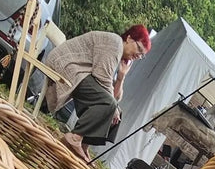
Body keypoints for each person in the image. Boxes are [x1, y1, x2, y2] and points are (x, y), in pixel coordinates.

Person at [45, 24, 151, 161]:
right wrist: (114, 107)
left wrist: (121, 78)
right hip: (67, 65)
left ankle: (83, 145)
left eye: (142, 55)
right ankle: (74, 137)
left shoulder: (119, 57)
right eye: (139, 49)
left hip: (81, 74)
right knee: (110, 106)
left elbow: (114, 97)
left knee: (114, 108)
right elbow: (102, 77)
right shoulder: (115, 43)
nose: (138, 55)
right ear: (129, 38)